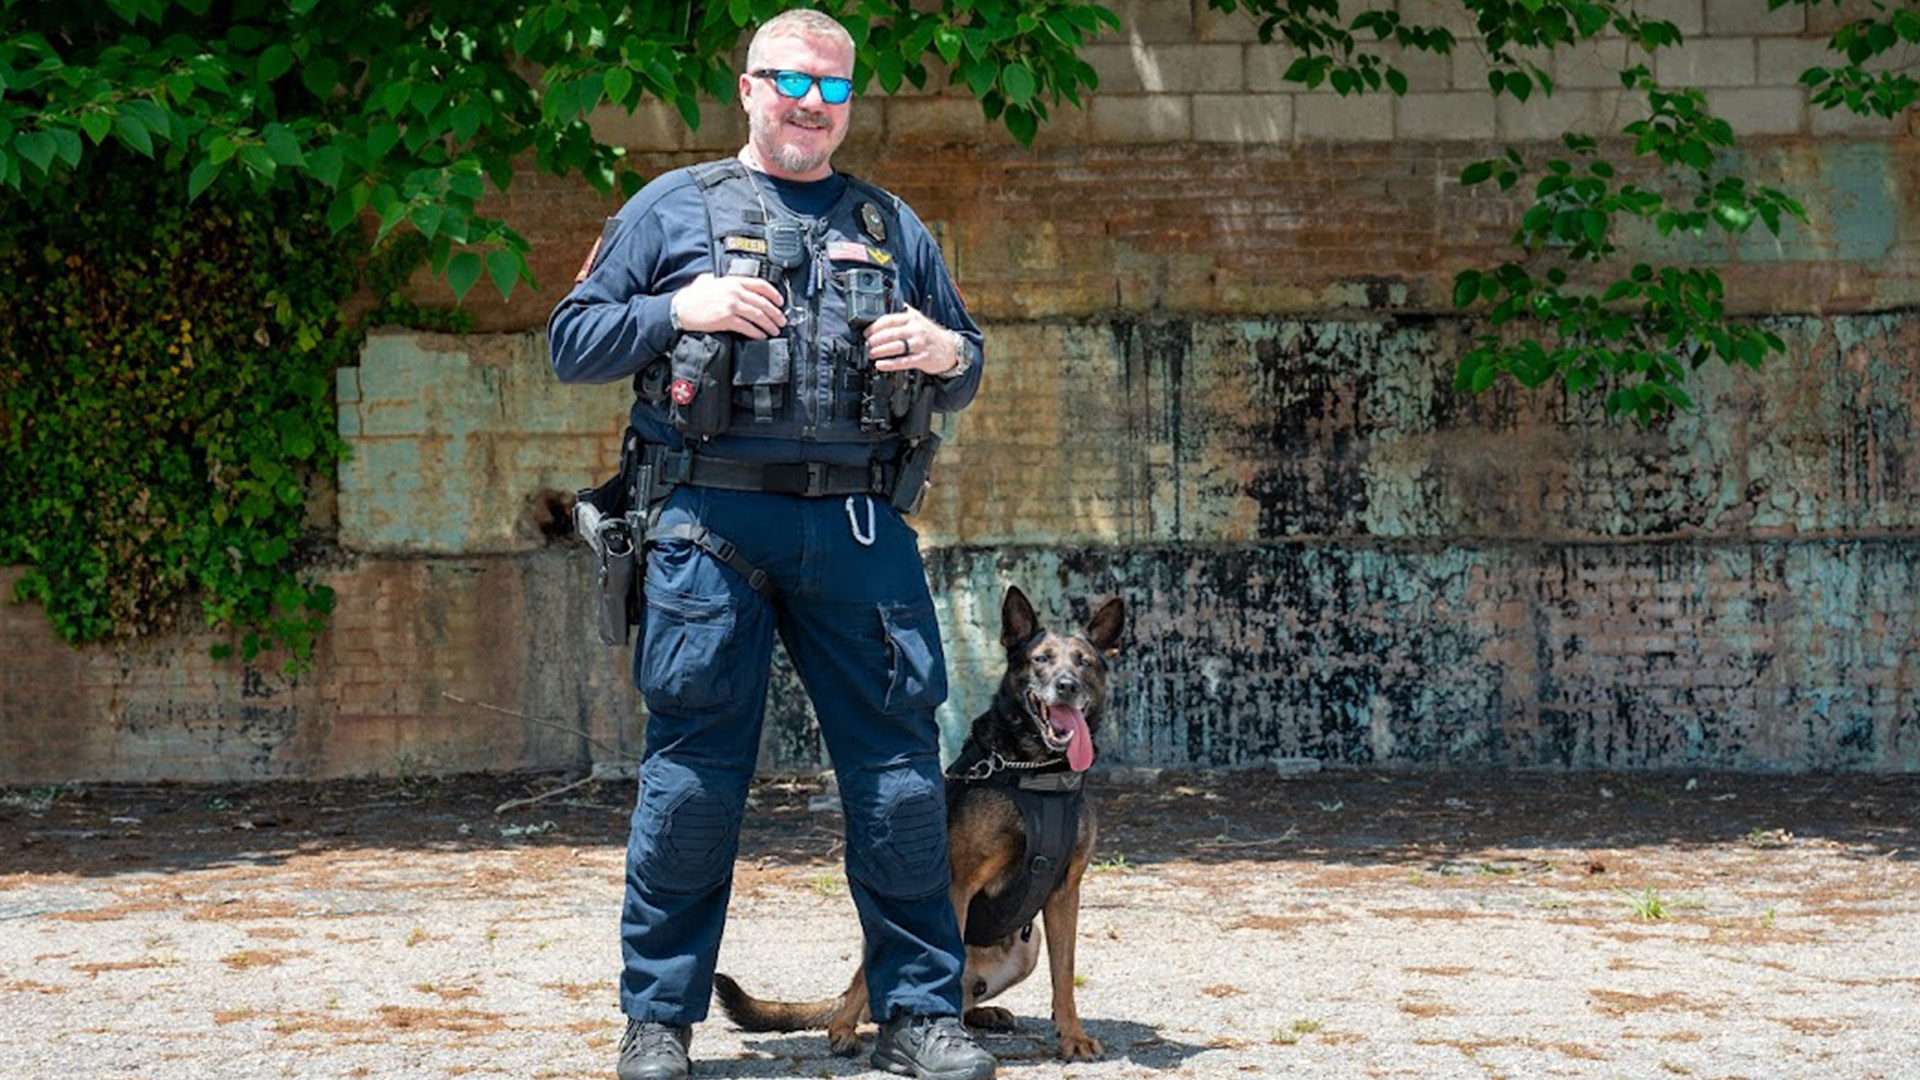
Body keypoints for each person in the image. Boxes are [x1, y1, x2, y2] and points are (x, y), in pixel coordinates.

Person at [547, 10, 991, 1080]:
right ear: (747, 88)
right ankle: (658, 1021)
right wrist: (678, 306)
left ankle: (922, 1013)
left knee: (897, 782)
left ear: (850, 102)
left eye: (832, 90)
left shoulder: (891, 227)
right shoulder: (672, 210)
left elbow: (967, 361)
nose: (809, 105)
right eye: (789, 83)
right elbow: (573, 341)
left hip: (857, 526)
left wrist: (943, 348)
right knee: (692, 784)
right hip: (710, 525)